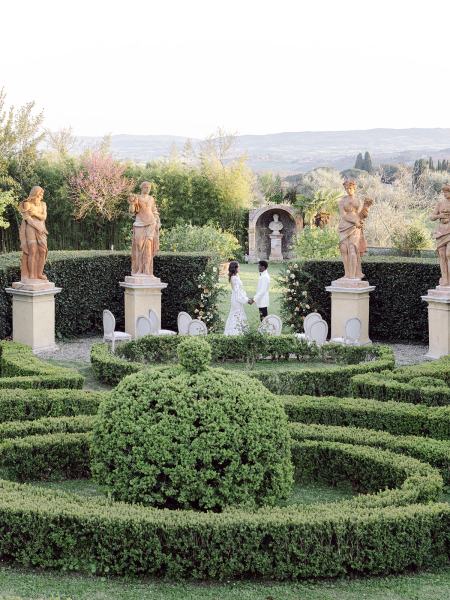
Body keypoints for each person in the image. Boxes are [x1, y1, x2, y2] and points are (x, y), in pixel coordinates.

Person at [338, 180, 373, 279]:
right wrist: (355, 221)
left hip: (355, 227)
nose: (348, 190)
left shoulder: (358, 200)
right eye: (347, 188)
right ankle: (347, 274)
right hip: (345, 226)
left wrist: (366, 207)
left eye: (350, 188)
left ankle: (353, 276)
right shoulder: (342, 201)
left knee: (353, 249)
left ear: (354, 188)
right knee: (344, 249)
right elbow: (343, 215)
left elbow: (361, 215)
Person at [128, 181, 160, 277]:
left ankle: (147, 271)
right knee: (139, 245)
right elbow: (132, 211)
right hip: (139, 223)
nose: (148, 189)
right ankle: (139, 269)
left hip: (151, 223)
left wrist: (158, 221)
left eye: (149, 187)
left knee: (148, 248)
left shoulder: (151, 198)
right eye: (146, 187)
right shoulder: (137, 198)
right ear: (142, 188)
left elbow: (154, 211)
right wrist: (132, 203)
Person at [18, 186, 48, 281]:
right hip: (30, 228)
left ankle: (39, 273)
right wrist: (37, 226)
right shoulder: (27, 204)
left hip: (41, 228)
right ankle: (31, 274)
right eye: (39, 195)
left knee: (43, 251)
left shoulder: (43, 204)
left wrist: (35, 213)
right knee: (33, 251)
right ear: (34, 194)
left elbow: (44, 217)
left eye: (42, 195)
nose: (41, 197)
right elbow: (28, 219)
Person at [224, 261, 252, 335]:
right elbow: (237, 293)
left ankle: (239, 330)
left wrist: (246, 298)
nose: (239, 268)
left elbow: (241, 290)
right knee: (236, 315)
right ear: (235, 268)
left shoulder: (236, 276)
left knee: (239, 314)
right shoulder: (234, 278)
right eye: (238, 267)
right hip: (236, 300)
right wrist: (246, 300)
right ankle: (234, 332)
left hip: (237, 298)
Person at [430, 183, 450, 286]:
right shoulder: (440, 203)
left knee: (449, 254)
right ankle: (445, 279)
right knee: (442, 255)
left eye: (447, 192)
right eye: (444, 192)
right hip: (441, 231)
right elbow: (432, 217)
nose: (445, 194)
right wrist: (439, 215)